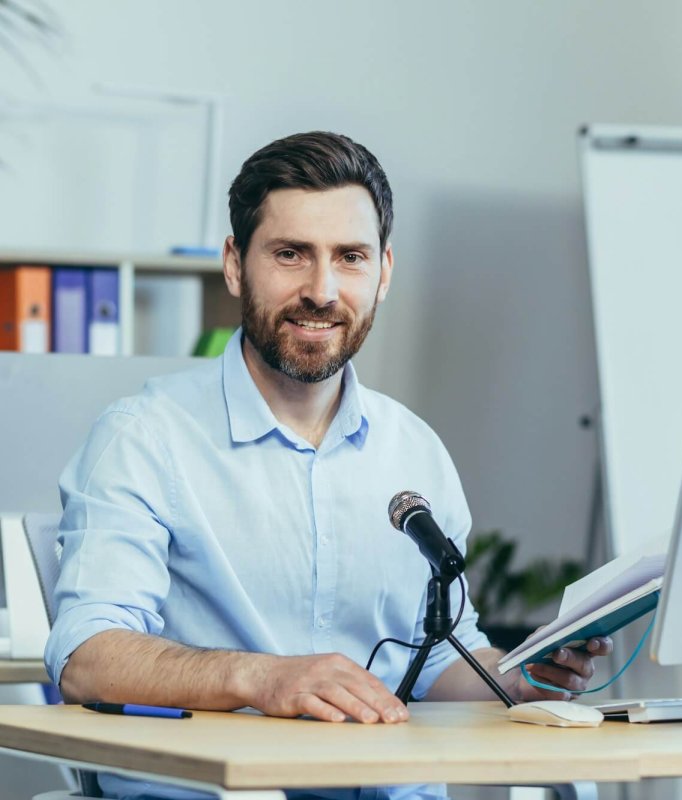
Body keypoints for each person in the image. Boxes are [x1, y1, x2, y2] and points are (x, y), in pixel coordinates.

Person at [46, 132, 611, 800]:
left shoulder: (415, 449)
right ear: (235, 264)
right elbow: (89, 656)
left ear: (384, 271)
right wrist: (262, 678)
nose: (322, 290)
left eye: (349, 257)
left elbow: (436, 657)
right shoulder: (144, 440)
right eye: (291, 254)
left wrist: (511, 677)